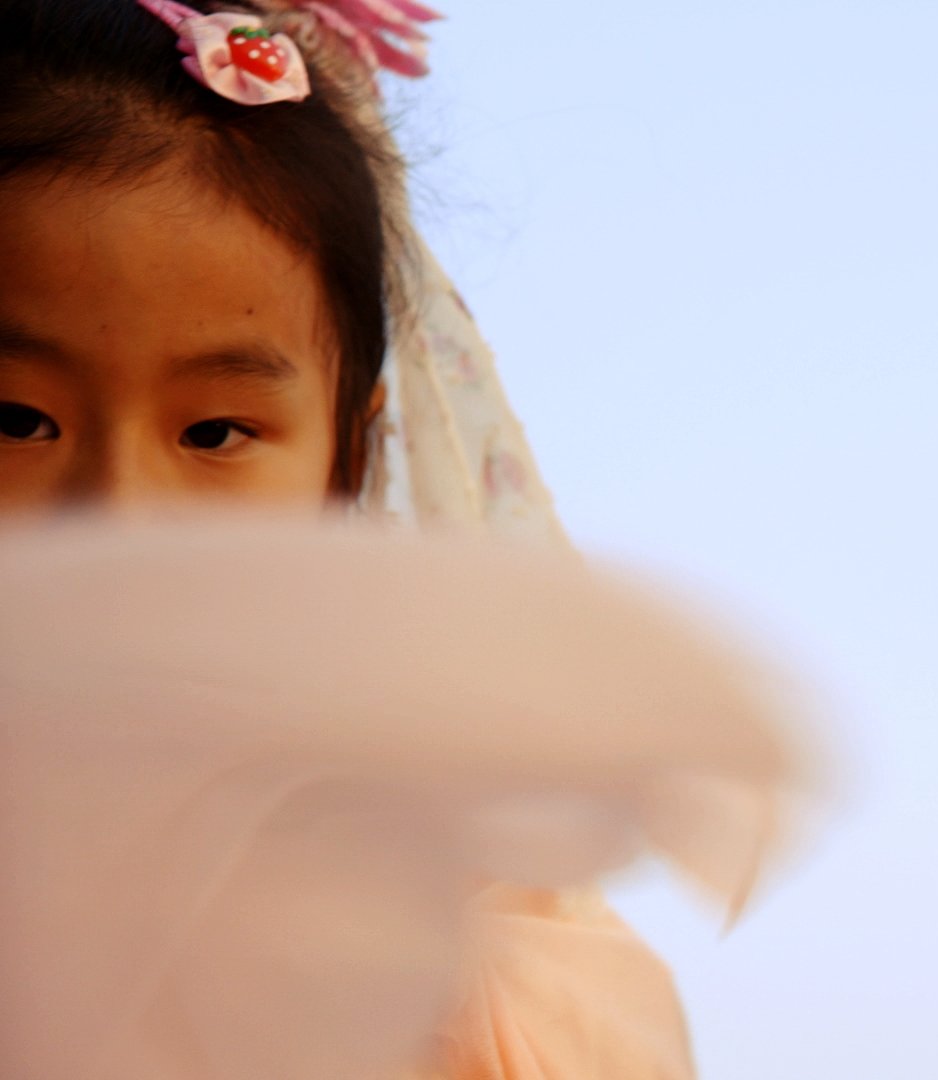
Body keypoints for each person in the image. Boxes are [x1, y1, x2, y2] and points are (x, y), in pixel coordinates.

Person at [0, 1, 790, 1075]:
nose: (122, 512)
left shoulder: (455, 957)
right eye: (17, 420)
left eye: (217, 432)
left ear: (346, 464)